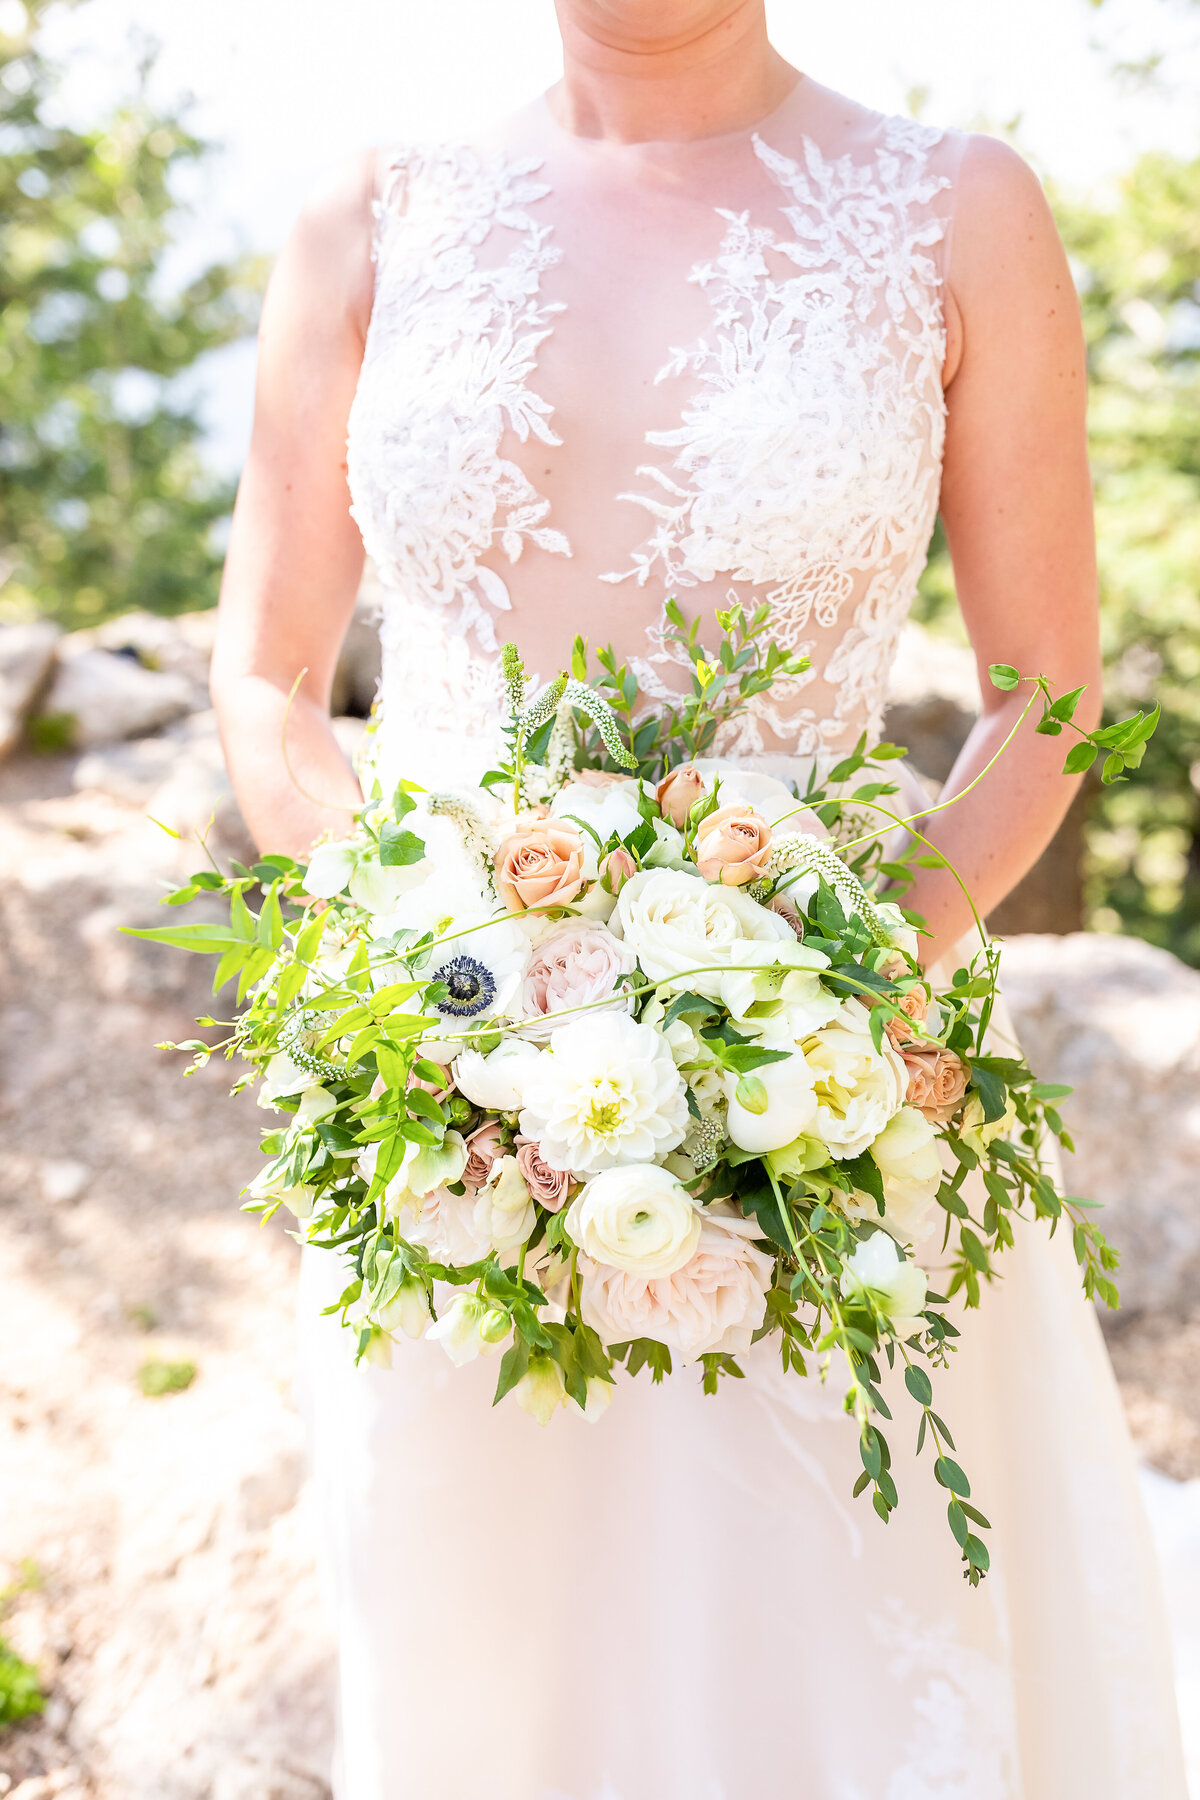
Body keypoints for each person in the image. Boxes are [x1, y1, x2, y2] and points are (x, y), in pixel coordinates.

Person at [210, 3, 1187, 1795]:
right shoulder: (370, 215)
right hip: (451, 1120)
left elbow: (1043, 688)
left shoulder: (957, 209)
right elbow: (270, 686)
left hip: (845, 1090)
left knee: (826, 1647)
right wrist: (438, 984)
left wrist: (852, 984)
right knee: (488, 1662)